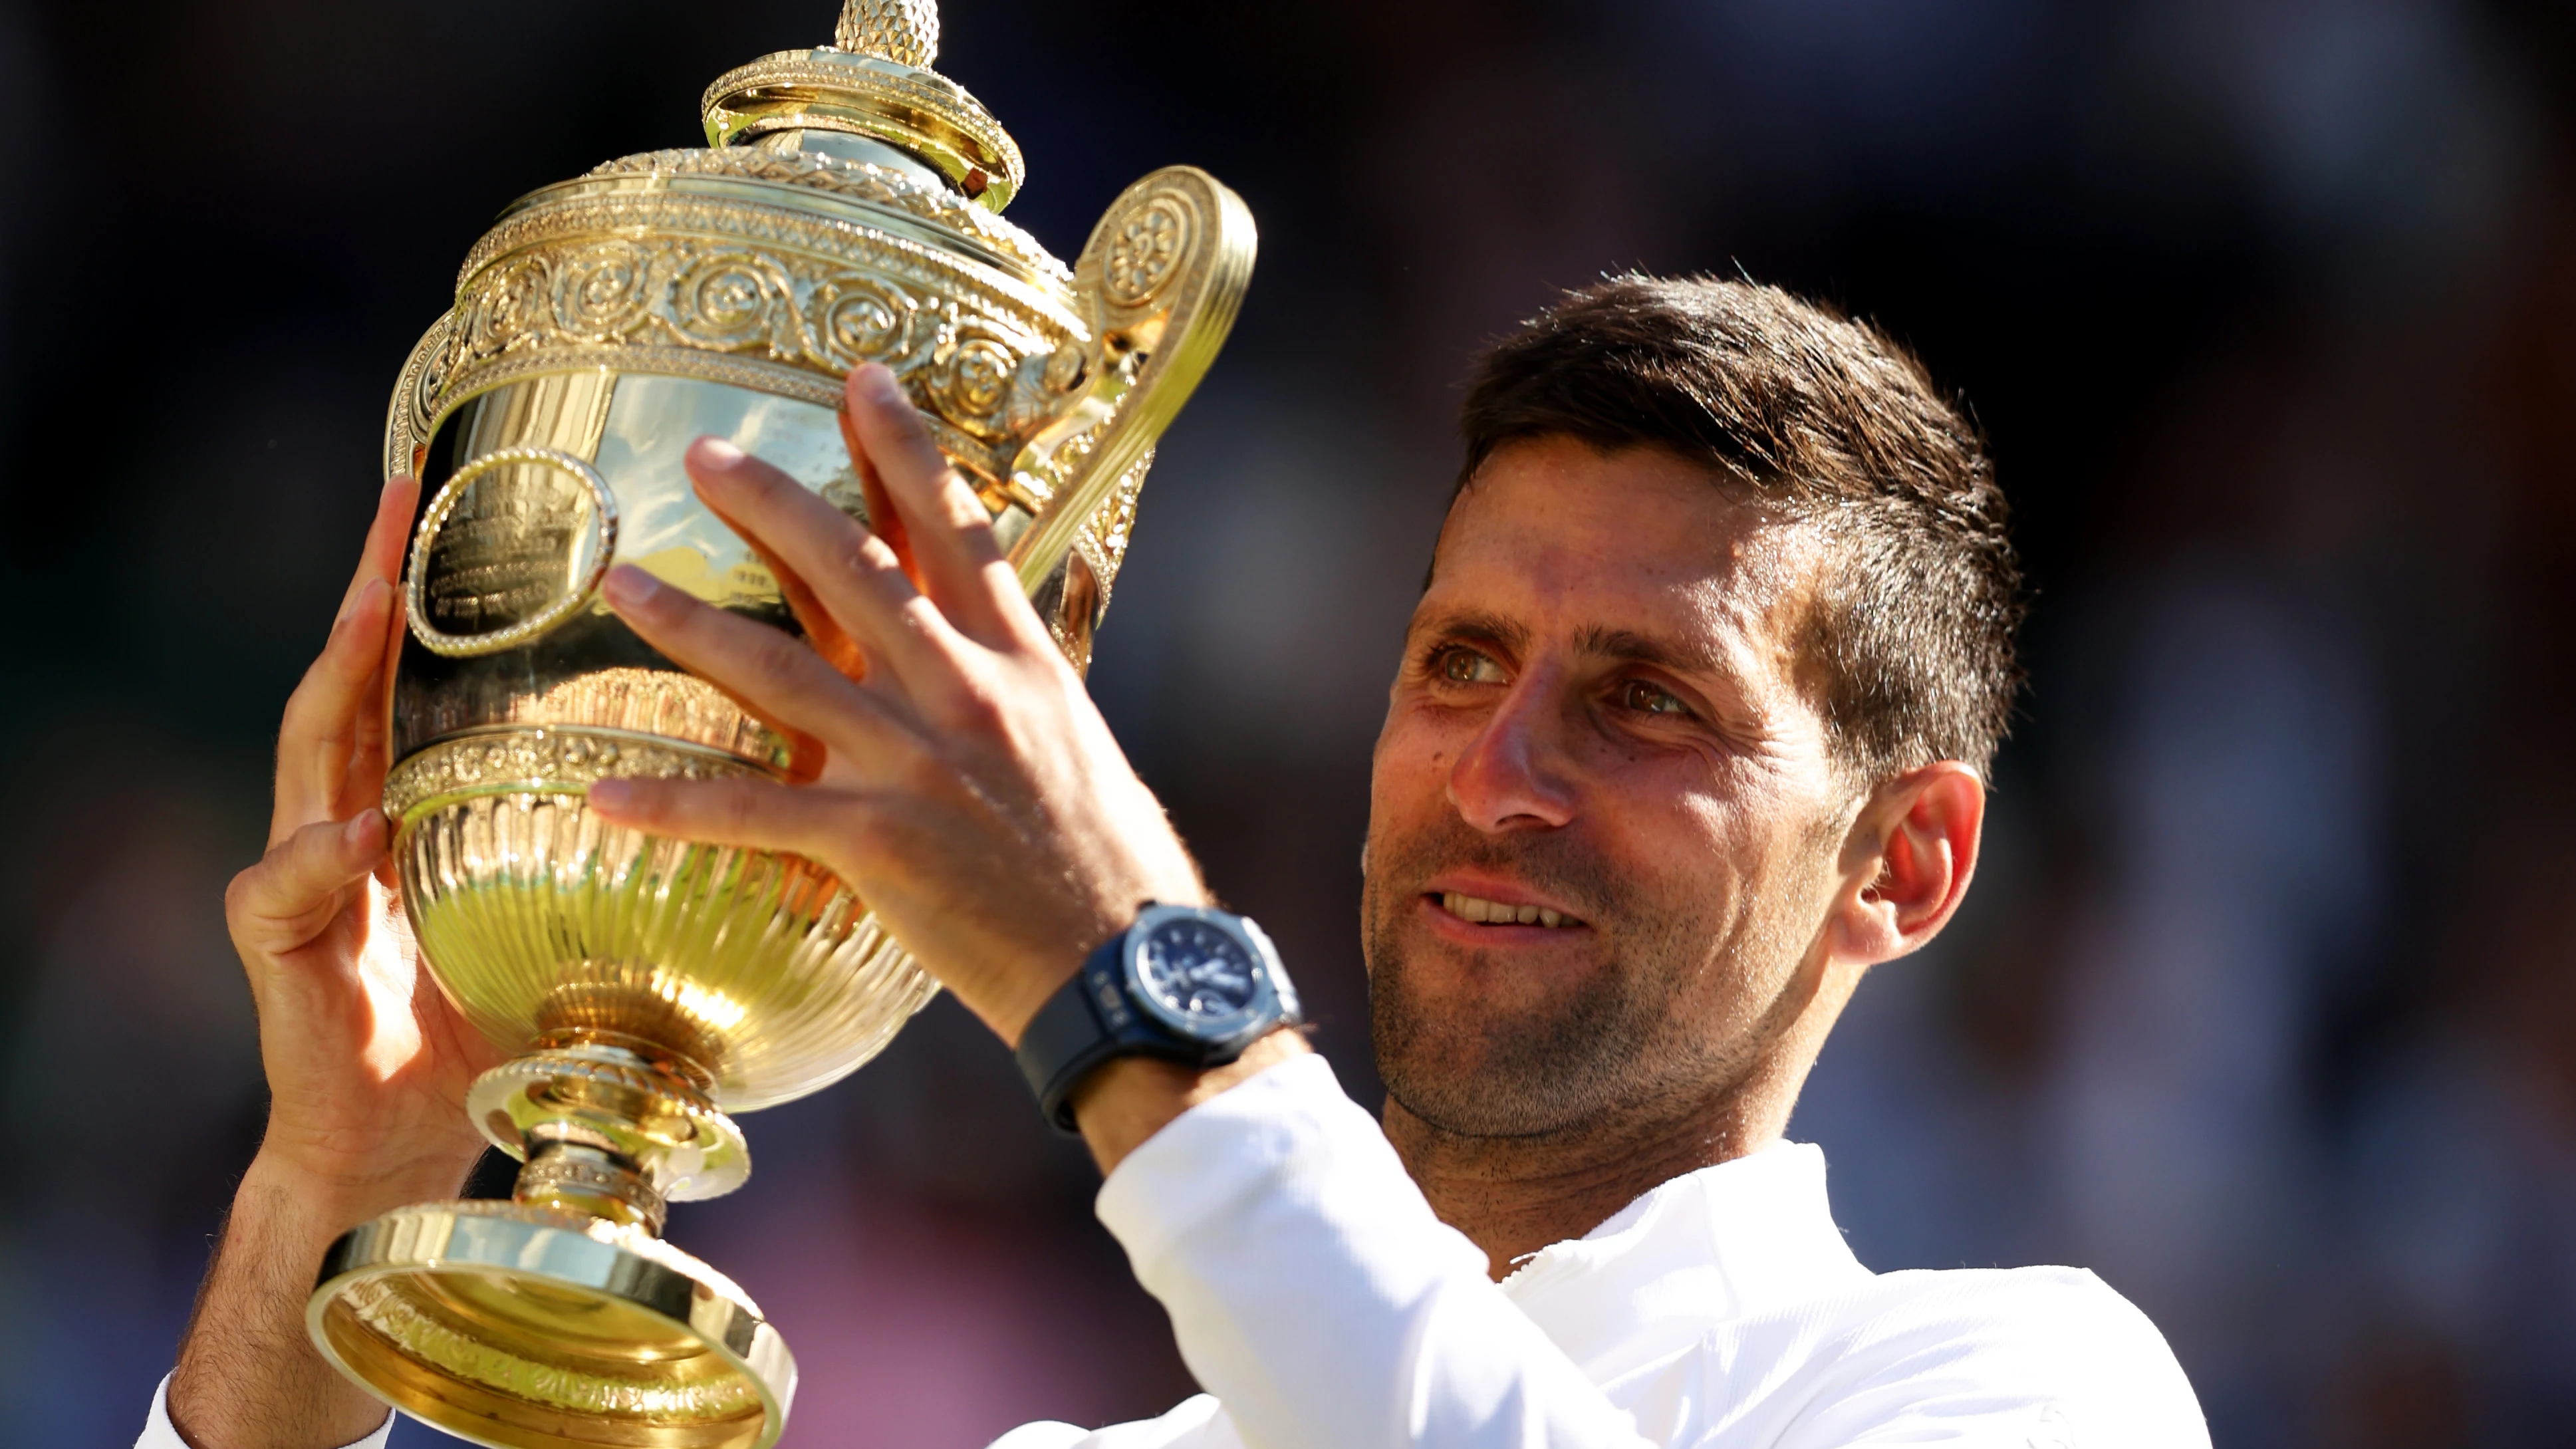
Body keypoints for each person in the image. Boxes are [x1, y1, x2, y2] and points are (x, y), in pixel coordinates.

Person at [140, 275, 2208, 1449]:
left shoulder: (2027, 1389)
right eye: (1459, 662)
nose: (1500, 776)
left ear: (1910, 862)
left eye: (1651, 699)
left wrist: (1127, 967)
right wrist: (341, 1195)